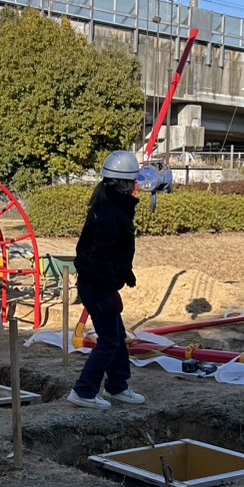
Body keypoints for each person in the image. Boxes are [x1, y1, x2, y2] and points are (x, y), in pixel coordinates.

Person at [66, 150, 147, 410]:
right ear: (122, 183)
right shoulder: (110, 214)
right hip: (97, 285)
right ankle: (84, 390)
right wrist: (110, 286)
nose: (135, 186)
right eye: (133, 181)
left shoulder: (110, 209)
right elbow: (100, 256)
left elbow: (111, 252)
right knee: (109, 340)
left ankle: (117, 385)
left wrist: (125, 273)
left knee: (117, 335)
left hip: (99, 283)